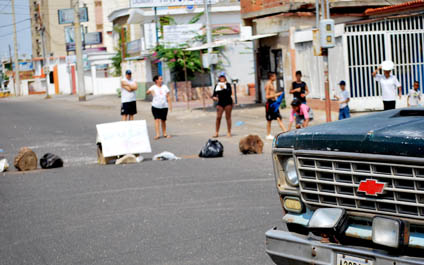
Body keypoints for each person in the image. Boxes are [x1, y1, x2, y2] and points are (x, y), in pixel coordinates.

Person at [147, 75, 171, 140]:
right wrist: (150, 91)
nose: (161, 80)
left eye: (162, 79)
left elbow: (168, 96)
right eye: (160, 79)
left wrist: (170, 105)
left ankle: (164, 133)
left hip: (164, 106)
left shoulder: (165, 87)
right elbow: (147, 92)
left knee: (163, 120)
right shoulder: (153, 87)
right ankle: (157, 134)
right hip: (155, 106)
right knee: (157, 120)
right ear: (156, 80)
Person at [265, 72, 287, 140]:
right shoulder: (268, 84)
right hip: (270, 104)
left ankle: (285, 132)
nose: (275, 77)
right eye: (274, 76)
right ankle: (268, 134)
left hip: (274, 103)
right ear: (271, 77)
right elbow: (267, 96)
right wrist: (277, 95)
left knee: (278, 118)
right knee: (269, 120)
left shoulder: (272, 84)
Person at [212, 73, 233, 138]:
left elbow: (229, 93)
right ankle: (216, 132)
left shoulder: (228, 85)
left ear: (225, 78)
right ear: (219, 78)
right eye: (220, 77)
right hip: (220, 103)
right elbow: (214, 94)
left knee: (228, 117)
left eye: (223, 77)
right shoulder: (217, 85)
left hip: (228, 102)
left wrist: (223, 87)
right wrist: (214, 97)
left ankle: (229, 132)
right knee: (218, 117)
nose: (221, 78)